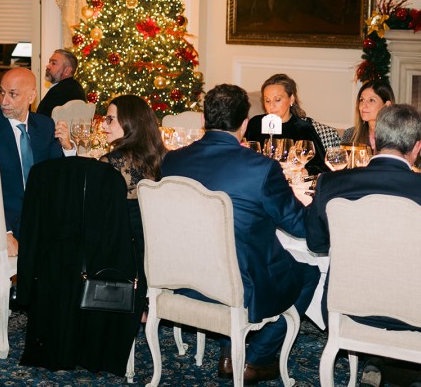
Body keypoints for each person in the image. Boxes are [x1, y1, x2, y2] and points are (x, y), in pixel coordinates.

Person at [306, 104, 421, 375]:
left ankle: (395, 368)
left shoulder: (330, 183)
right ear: (417, 147)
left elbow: (316, 244)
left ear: (373, 139)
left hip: (351, 308)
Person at [163, 84, 319, 384]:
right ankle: (255, 358)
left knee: (233, 253)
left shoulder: (172, 160)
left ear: (204, 120)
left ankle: (229, 353)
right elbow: (298, 226)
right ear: (245, 124)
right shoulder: (261, 168)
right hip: (240, 288)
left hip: (185, 280)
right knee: (308, 273)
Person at [0, 67, 75, 257]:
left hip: (42, 216)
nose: (4, 101)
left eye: (13, 94)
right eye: (2, 92)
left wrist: (67, 147)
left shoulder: (45, 125)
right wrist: (4, 231)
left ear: (31, 96)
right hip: (7, 220)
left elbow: (59, 173)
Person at [99, 94, 166, 318]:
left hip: (123, 248)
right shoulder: (161, 156)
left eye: (110, 119)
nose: (103, 125)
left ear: (129, 122)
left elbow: (101, 216)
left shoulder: (112, 162)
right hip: (157, 246)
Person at [244, 74, 326, 175]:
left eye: (277, 100)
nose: (271, 106)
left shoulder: (302, 128)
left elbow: (322, 166)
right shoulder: (255, 124)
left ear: (291, 99)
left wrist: (299, 172)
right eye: (267, 101)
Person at [35, 49, 87, 118]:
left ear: (67, 71)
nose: (48, 66)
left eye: (53, 63)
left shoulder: (58, 92)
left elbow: (40, 119)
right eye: (49, 62)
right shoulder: (76, 87)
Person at [341, 79, 394, 146]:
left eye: (371, 100)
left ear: (387, 105)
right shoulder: (350, 135)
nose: (363, 106)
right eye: (362, 100)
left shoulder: (397, 136)